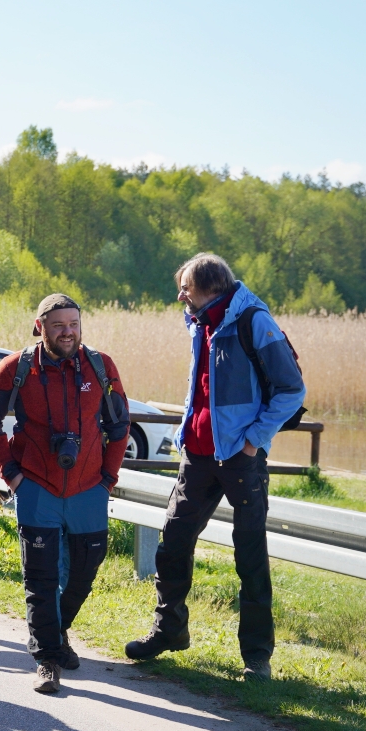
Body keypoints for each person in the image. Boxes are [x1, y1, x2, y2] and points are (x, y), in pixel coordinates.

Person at [126, 254, 305, 681]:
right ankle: (169, 631)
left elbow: (291, 390)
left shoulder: (253, 322)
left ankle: (257, 657)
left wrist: (251, 441)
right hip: (198, 455)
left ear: (209, 287)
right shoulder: (200, 321)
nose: (180, 295)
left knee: (250, 558)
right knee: (172, 545)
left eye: (185, 287)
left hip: (240, 460)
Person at [0, 293, 130, 695]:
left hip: (89, 489)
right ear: (40, 325)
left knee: (84, 573)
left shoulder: (100, 366)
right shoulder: (17, 367)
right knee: (41, 578)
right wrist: (10, 473)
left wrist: (107, 478)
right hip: (37, 487)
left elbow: (120, 425)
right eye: (59, 325)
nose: (68, 332)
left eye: (74, 324)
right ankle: (47, 659)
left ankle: (57, 633)